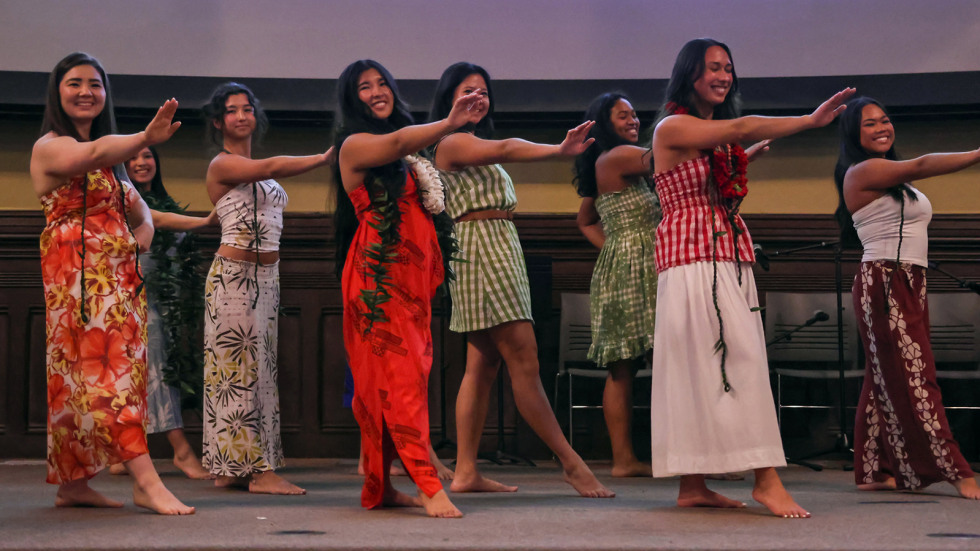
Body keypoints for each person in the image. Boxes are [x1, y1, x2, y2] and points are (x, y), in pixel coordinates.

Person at [650, 37, 855, 518]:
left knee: (707, 365)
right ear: (689, 74)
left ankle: (692, 484)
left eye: (728, 68)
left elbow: (719, 155)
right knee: (735, 360)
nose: (723, 76)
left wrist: (743, 156)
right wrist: (808, 121)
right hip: (695, 256)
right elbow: (740, 126)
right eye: (713, 67)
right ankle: (766, 479)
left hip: (722, 251)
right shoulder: (672, 126)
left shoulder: (710, 136)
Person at [427, 62, 612, 497]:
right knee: (524, 361)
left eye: (483, 91)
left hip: (493, 246)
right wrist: (559, 150)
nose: (478, 97)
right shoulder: (451, 141)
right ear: (449, 99)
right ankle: (572, 464)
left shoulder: (470, 142)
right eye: (468, 91)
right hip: (483, 251)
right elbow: (509, 148)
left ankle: (466, 471)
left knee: (482, 365)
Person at [30, 51, 193, 515]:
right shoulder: (50, 146)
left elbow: (142, 213)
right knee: (104, 374)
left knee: (84, 379)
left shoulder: (112, 169)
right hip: (77, 281)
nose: (86, 92)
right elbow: (93, 153)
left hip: (118, 282)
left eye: (95, 85)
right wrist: (145, 138)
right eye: (75, 83)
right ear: (57, 92)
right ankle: (146, 482)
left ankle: (73, 485)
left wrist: (139, 240)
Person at [333, 59, 484, 518]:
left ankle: (379, 487)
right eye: (364, 87)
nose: (377, 91)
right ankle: (428, 485)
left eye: (382, 83)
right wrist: (450, 123)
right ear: (351, 98)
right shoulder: (354, 145)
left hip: (410, 282)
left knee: (399, 380)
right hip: (377, 280)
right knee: (399, 382)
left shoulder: (407, 161)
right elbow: (398, 141)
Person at [834, 96, 980, 499]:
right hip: (885, 280)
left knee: (882, 376)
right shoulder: (863, 170)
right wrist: (977, 154)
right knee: (916, 375)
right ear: (853, 134)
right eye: (869, 124)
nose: (882, 128)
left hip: (908, 279)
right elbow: (921, 164)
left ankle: (873, 469)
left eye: (885, 120)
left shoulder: (894, 179)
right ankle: (954, 469)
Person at [201, 82, 332, 494]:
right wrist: (323, 158)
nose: (241, 116)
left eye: (247, 109)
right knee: (237, 373)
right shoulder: (222, 164)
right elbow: (269, 166)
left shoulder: (253, 168)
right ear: (218, 121)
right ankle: (258, 471)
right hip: (234, 278)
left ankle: (231, 466)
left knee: (258, 372)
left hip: (266, 278)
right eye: (231, 110)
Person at [107, 146, 215, 479]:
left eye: (147, 156)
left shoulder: (166, 201)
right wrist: (207, 220)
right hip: (130, 297)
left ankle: (123, 452)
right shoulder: (122, 200)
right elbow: (157, 219)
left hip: (163, 301)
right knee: (156, 371)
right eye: (132, 158)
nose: (141, 163)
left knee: (142, 374)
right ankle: (181, 451)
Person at [572, 92, 657, 477]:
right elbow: (670, 158)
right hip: (635, 269)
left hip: (627, 265)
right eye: (623, 115)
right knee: (630, 367)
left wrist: (615, 246)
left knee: (624, 369)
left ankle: (626, 459)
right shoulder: (620, 156)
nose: (633, 120)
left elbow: (585, 220)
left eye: (635, 114)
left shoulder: (607, 162)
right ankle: (628, 459)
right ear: (605, 123)